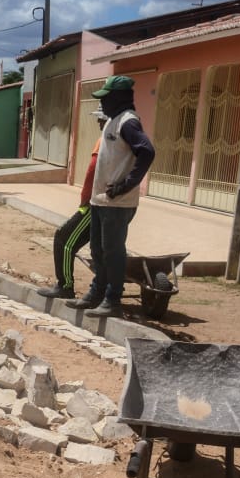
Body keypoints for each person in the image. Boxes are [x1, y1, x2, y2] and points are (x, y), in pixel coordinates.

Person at [72, 75, 155, 318]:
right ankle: (96, 293)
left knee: (113, 251)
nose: (103, 103)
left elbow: (147, 151)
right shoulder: (112, 120)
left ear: (119, 98)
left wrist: (127, 185)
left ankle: (112, 299)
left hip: (117, 203)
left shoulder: (128, 123)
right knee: (98, 250)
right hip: (101, 200)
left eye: (106, 98)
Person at [37, 109, 109, 299]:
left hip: (96, 203)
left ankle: (65, 285)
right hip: (111, 204)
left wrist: (85, 198)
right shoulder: (120, 143)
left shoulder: (105, 141)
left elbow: (92, 171)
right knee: (101, 248)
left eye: (100, 120)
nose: (98, 124)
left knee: (63, 238)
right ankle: (104, 289)